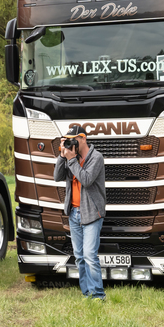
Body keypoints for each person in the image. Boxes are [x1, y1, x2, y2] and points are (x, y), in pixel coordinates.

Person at [54, 125, 106, 300]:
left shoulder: (96, 157)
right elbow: (57, 176)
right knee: (79, 257)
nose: (71, 143)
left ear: (83, 138)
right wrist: (63, 156)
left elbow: (86, 179)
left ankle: (98, 295)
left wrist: (72, 160)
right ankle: (87, 293)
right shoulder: (70, 157)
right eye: (68, 139)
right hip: (74, 212)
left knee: (90, 255)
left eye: (74, 139)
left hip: (91, 212)